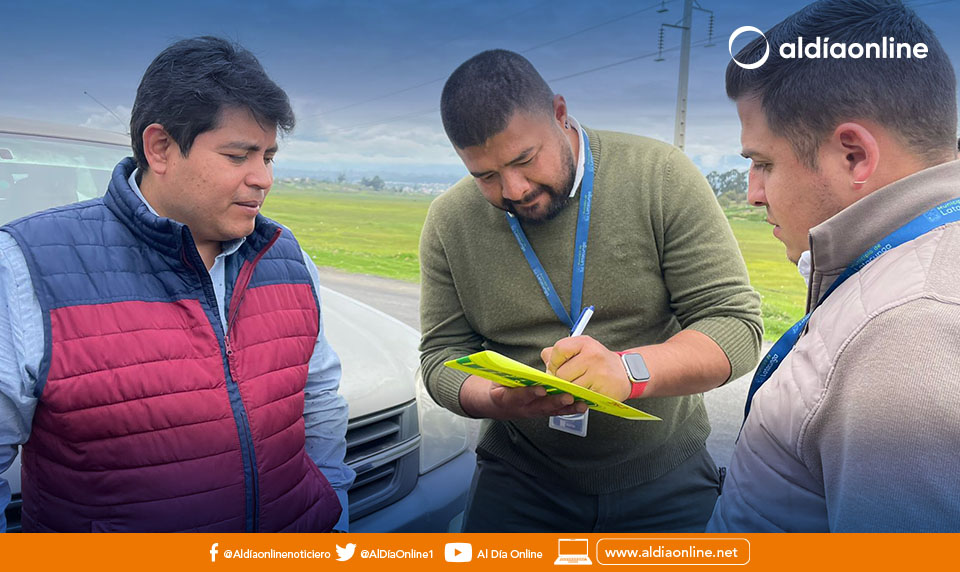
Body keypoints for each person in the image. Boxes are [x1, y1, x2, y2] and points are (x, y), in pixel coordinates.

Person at [0, 36, 354, 532]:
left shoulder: (285, 255)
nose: (263, 178)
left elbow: (317, 400)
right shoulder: (26, 266)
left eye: (269, 157)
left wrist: (331, 511)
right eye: (238, 156)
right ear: (161, 148)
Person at [419, 49, 763, 533]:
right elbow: (440, 355)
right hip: (518, 482)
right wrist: (494, 400)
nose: (514, 189)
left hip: (666, 478)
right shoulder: (449, 221)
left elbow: (735, 324)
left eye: (524, 160)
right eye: (486, 176)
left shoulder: (659, 175)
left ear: (560, 114)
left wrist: (628, 372)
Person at [708, 0, 960, 532]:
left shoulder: (906, 329)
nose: (753, 193)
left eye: (763, 163)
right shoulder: (910, 269)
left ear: (854, 156)